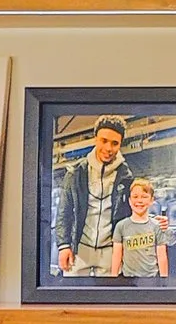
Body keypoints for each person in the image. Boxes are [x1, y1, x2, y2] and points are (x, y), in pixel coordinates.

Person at [56, 116, 134, 275]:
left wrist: (153, 221)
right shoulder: (75, 173)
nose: (108, 148)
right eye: (104, 141)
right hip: (79, 249)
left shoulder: (126, 176)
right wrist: (64, 245)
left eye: (115, 143)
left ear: (120, 144)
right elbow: (64, 211)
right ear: (95, 139)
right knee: (71, 291)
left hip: (110, 251)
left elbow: (132, 213)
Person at [114, 175, 170, 284]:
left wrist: (164, 282)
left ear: (151, 200)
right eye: (135, 197)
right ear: (129, 200)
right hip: (128, 280)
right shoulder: (121, 226)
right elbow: (117, 256)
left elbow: (162, 256)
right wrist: (113, 280)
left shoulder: (157, 226)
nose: (139, 201)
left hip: (151, 280)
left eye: (144, 197)